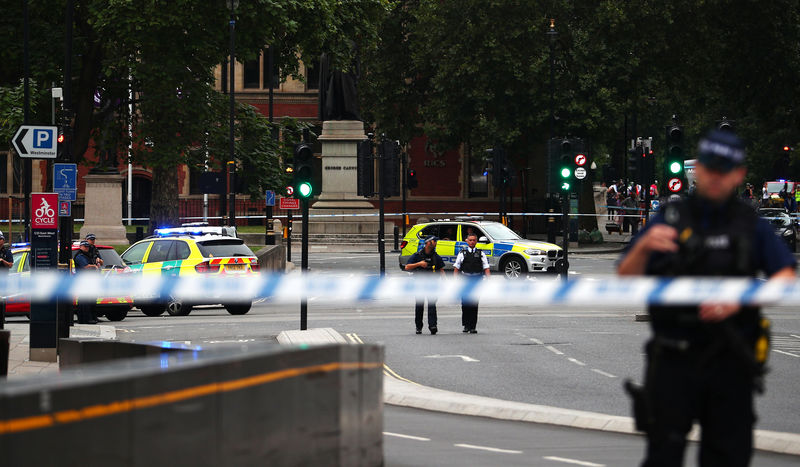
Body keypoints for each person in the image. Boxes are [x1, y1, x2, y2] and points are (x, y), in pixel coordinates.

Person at [617, 129, 796, 467]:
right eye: (710, 167)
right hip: (674, 357)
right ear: (698, 169)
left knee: (727, 456)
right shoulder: (670, 218)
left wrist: (741, 299)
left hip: (730, 360)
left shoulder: (749, 224)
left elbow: (785, 276)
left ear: (739, 174)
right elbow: (625, 275)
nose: (716, 176)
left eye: (725, 169)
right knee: (663, 455)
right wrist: (642, 245)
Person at [404, 236, 446, 334]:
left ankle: (432, 326)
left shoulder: (436, 256)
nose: (436, 243)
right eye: (434, 241)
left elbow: (441, 270)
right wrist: (419, 264)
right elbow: (407, 267)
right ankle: (419, 326)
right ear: (428, 243)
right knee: (419, 305)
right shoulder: (417, 255)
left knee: (432, 305)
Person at [453, 232, 490, 333]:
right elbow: (456, 268)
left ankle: (473, 326)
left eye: (474, 240)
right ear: (467, 241)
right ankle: (466, 325)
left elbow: (486, 267)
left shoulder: (481, 253)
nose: (472, 242)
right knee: (465, 304)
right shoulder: (462, 253)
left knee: (474, 304)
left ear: (476, 241)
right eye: (470, 240)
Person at [74, 240, 101, 324]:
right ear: (81, 247)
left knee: (91, 299)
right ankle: (85, 319)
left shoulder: (88, 255)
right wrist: (94, 266)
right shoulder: (80, 256)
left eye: (87, 247)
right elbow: (86, 266)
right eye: (85, 247)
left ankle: (92, 317)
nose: (86, 248)